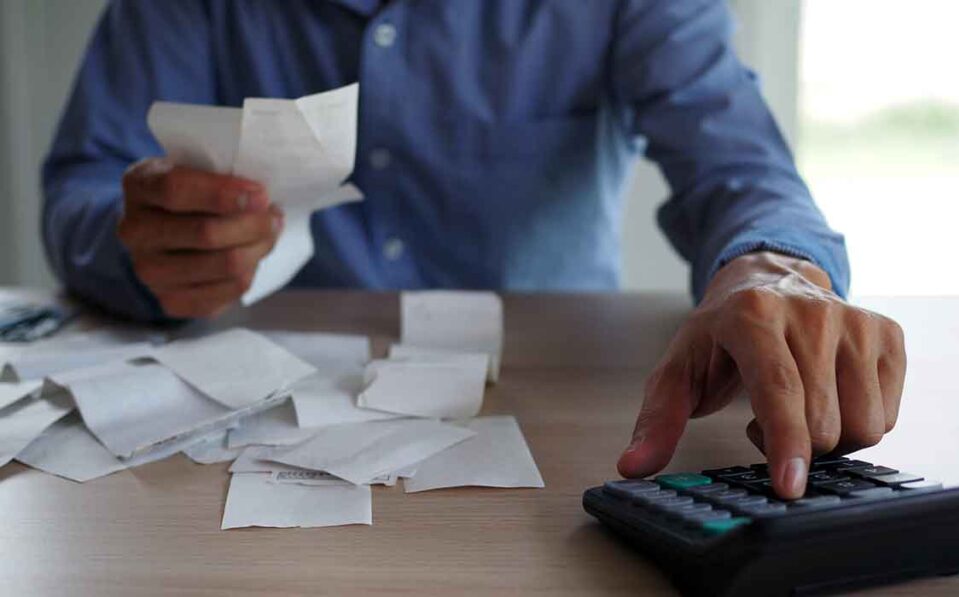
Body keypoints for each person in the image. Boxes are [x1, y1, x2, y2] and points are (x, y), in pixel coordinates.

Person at [41, 0, 905, 499]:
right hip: (244, 434)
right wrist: (140, 245)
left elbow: (740, 165)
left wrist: (774, 269)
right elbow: (80, 187)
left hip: (554, 430)